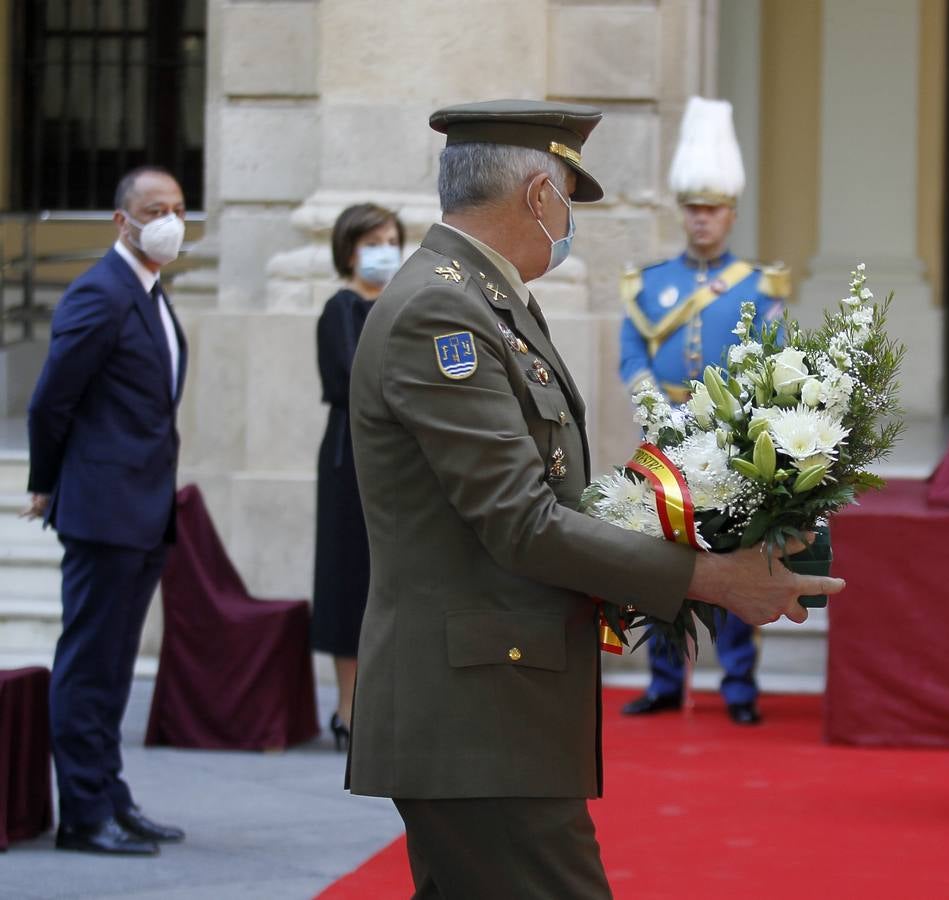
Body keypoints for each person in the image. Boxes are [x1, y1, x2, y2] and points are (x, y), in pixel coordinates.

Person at [346, 99, 843, 898]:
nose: (568, 221)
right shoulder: (445, 309)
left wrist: (688, 525)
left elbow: (545, 496)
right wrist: (716, 582)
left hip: (495, 702)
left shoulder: (485, 297)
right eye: (568, 199)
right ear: (539, 197)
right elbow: (521, 521)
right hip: (477, 711)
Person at [24, 166, 189, 856]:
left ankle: (111, 795)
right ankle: (84, 815)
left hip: (142, 509)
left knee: (117, 665)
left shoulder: (148, 290)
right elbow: (51, 399)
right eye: (156, 208)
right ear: (123, 220)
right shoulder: (100, 291)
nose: (170, 220)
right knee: (91, 665)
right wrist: (44, 480)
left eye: (178, 207)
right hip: (104, 509)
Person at [618, 97, 789, 725]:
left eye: (712, 210)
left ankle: (739, 690)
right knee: (662, 563)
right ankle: (665, 682)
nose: (701, 221)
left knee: (740, 559)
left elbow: (775, 362)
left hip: (732, 442)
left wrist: (733, 418)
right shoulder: (648, 283)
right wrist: (658, 410)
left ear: (731, 214)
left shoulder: (757, 285)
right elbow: (631, 354)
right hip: (665, 439)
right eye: (692, 210)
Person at [312, 203, 405, 751]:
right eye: (373, 240)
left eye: (392, 239)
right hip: (350, 461)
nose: (384, 250)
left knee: (390, 584)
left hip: (400, 462)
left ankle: (387, 703)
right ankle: (348, 711)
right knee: (347, 582)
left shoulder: (405, 301)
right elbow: (349, 378)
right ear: (350, 249)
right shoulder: (339, 309)